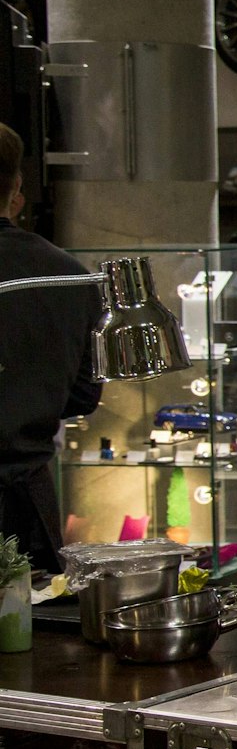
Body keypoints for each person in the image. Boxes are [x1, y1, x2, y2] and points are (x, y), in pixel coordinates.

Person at [0, 122, 101, 571]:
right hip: (30, 505)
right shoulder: (71, 275)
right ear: (16, 187)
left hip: (28, 494)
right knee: (36, 634)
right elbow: (83, 396)